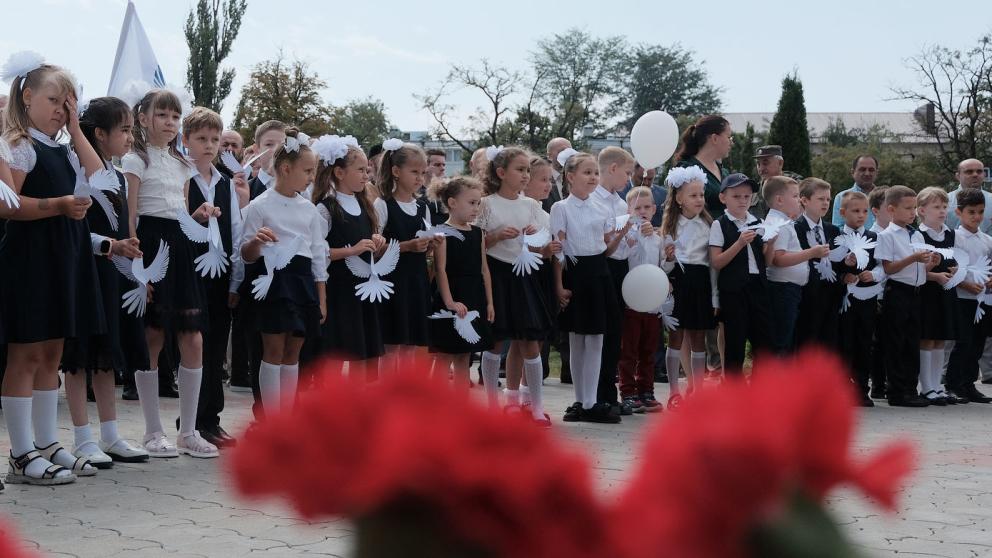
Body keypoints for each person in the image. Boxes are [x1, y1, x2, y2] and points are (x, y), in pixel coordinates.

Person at [1, 55, 106, 485]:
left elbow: (99, 176)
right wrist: (59, 206)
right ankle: (22, 451)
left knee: (52, 353)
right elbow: (7, 205)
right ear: (27, 98)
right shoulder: (17, 144)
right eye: (54, 101)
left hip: (64, 255)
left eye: (68, 104)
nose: (61, 111)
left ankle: (46, 441)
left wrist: (77, 128)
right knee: (25, 353)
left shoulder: (62, 146)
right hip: (31, 257)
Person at [123, 88, 217, 458]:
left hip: (178, 247)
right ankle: (152, 431)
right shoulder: (134, 159)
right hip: (148, 242)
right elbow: (130, 215)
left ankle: (188, 431)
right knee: (153, 336)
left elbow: (179, 213)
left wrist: (199, 217)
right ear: (143, 117)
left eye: (175, 117)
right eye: (162, 115)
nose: (170, 123)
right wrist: (136, 268)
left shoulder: (182, 164)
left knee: (193, 337)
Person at [61, 97, 150, 467]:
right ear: (99, 133)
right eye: (125, 130)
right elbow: (77, 228)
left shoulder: (114, 172)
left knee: (106, 353)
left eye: (132, 129)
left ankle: (110, 434)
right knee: (80, 354)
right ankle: (82, 437)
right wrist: (108, 245)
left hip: (112, 272)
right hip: (86, 269)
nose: (131, 137)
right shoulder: (77, 168)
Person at [240, 128, 326, 414]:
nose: (312, 177)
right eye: (308, 170)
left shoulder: (309, 210)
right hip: (273, 280)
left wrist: (320, 297)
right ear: (286, 169)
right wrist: (256, 241)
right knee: (273, 350)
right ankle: (271, 418)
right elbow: (246, 254)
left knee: (293, 352)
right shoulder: (259, 205)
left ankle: (287, 418)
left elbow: (317, 255)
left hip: (301, 282)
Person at [476, 146, 554, 425]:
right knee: (496, 341)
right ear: (500, 173)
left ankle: (534, 405)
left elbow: (541, 250)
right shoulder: (485, 204)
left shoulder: (531, 206)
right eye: (519, 170)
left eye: (527, 171)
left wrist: (542, 245)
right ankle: (494, 406)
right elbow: (475, 245)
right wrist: (495, 236)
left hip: (524, 277)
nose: (525, 175)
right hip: (496, 276)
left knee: (530, 341)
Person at [181, 107, 243, 448]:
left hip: (219, 273)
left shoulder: (224, 183)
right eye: (201, 138)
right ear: (186, 140)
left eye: (214, 139)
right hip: (191, 270)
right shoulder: (181, 178)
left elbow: (235, 227)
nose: (209, 145)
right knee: (194, 345)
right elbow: (176, 223)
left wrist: (236, 279)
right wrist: (196, 217)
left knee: (217, 344)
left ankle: (210, 419)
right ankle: (190, 420)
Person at [310, 135, 385, 381]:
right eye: (361, 170)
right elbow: (317, 253)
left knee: (363, 353)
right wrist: (351, 250)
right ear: (339, 172)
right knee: (335, 353)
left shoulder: (365, 205)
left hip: (363, 289)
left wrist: (377, 245)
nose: (366, 175)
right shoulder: (325, 208)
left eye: (368, 170)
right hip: (339, 291)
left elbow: (368, 247)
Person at [552, 152, 620, 423]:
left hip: (599, 273)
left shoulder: (602, 207)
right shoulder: (561, 208)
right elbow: (559, 250)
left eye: (595, 173)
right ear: (570, 177)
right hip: (576, 273)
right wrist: (558, 285)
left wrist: (621, 235)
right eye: (586, 172)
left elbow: (605, 246)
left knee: (596, 338)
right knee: (577, 338)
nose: (593, 177)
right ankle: (581, 400)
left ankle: (591, 400)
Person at [373, 141, 436, 375]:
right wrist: (408, 246)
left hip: (416, 280)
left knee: (411, 344)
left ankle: (406, 398)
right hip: (393, 281)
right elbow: (375, 247)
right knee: (391, 344)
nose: (420, 178)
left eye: (422, 172)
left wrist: (431, 245)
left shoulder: (423, 207)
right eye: (414, 172)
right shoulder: (383, 204)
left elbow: (426, 248)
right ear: (396, 171)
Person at [428, 176, 495, 390]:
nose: (476, 208)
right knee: (445, 354)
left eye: (478, 203)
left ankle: (459, 409)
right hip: (452, 296)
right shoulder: (442, 232)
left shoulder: (478, 233)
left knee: (465, 356)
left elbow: (484, 269)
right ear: (452, 203)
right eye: (471, 203)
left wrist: (490, 303)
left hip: (474, 296)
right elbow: (440, 270)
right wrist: (450, 302)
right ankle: (432, 407)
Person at [660, 166, 715, 409]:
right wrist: (669, 260)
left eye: (701, 195)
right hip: (679, 282)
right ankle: (674, 392)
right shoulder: (670, 228)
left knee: (699, 337)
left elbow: (713, 265)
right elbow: (663, 268)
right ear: (679, 198)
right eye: (693, 195)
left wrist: (715, 296)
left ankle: (698, 392)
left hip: (701, 282)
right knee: (676, 336)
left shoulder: (709, 226)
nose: (699, 199)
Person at [875, 185, 934, 407]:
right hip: (898, 292)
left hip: (916, 292)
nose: (913, 212)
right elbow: (889, 269)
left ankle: (911, 388)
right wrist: (913, 258)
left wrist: (929, 264)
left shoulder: (916, 233)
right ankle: (897, 391)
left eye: (915, 208)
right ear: (891, 209)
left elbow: (919, 267)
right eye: (908, 208)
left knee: (912, 342)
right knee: (896, 342)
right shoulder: (886, 235)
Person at [709, 173, 769, 375]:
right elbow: (716, 261)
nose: (743, 201)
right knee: (735, 342)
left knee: (763, 341)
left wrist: (772, 241)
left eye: (746, 196)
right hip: (734, 289)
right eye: (736, 196)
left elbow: (766, 261)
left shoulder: (757, 222)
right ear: (723, 198)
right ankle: (734, 392)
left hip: (758, 286)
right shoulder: (720, 224)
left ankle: (760, 390)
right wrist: (739, 243)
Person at [592, 147, 637, 416]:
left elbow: (624, 247)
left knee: (615, 333)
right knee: (601, 331)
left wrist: (633, 236)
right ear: (612, 168)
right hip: (601, 265)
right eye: (627, 172)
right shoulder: (593, 200)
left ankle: (610, 390)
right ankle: (596, 392)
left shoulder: (621, 204)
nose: (629, 179)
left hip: (619, 268)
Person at [762, 176, 824, 355]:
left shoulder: (784, 221)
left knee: (788, 340)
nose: (799, 201)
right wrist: (812, 253)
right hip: (782, 290)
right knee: (782, 341)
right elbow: (778, 259)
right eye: (796, 196)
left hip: (789, 290)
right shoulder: (778, 224)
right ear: (780, 200)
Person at [835, 191, 885, 407]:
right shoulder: (836, 235)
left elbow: (883, 266)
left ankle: (861, 389)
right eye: (855, 211)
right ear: (843, 212)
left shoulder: (874, 238)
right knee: (844, 343)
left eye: (865, 211)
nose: (861, 215)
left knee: (865, 342)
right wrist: (843, 274)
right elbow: (829, 265)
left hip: (867, 298)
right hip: (844, 300)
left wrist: (872, 274)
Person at [618, 186, 664, 412]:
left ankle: (647, 390)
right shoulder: (628, 236)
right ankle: (627, 391)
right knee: (629, 351)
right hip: (632, 302)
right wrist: (636, 239)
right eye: (638, 208)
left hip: (653, 305)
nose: (643, 211)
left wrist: (670, 258)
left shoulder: (658, 238)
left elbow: (661, 266)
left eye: (647, 207)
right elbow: (628, 259)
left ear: (654, 209)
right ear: (629, 210)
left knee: (649, 351)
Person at [945, 187, 992, 404]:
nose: (977, 217)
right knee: (962, 342)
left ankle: (969, 383)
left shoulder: (987, 240)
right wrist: (964, 283)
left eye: (980, 212)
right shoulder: (954, 237)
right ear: (959, 213)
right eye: (971, 212)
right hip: (962, 298)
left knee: (977, 342)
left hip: (981, 300)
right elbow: (951, 269)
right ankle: (953, 383)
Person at [914, 187, 959, 406]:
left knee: (941, 338)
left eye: (944, 207)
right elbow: (915, 270)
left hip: (945, 292)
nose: (942, 211)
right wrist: (934, 275)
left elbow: (956, 260)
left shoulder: (950, 233)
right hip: (927, 292)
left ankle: (937, 385)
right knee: (927, 337)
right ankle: (926, 387)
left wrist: (955, 270)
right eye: (936, 207)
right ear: (921, 210)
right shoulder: (918, 234)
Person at [523, 156, 562, 381]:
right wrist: (542, 251)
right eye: (542, 179)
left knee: (539, 338)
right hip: (526, 276)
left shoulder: (547, 214)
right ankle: (518, 391)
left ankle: (530, 389)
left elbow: (553, 254)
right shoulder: (522, 211)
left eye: (550, 179)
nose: (548, 185)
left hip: (544, 276)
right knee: (524, 341)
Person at [794, 178, 842, 349]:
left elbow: (838, 262)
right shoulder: (795, 228)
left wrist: (848, 263)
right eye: (821, 199)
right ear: (804, 200)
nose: (826, 203)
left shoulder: (833, 230)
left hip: (830, 294)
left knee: (828, 341)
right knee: (807, 340)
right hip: (807, 294)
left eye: (828, 199)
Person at [674, 115, 731, 219]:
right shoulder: (686, 169)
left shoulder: (724, 172)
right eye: (728, 137)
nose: (731, 142)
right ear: (714, 138)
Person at [867, 186, 891, 399]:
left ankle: (890, 381)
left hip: (896, 293)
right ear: (875, 210)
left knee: (891, 340)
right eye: (888, 206)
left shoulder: (904, 233)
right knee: (877, 342)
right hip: (877, 294)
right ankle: (878, 384)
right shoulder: (873, 235)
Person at [750, 145, 802, 221]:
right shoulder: (754, 191)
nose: (761, 169)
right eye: (758, 164)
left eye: (765, 163)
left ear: (780, 163)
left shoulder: (797, 185)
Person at [830, 155, 879, 229]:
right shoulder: (842, 197)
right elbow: (838, 228)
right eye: (862, 169)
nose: (867, 173)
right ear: (853, 172)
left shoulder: (885, 197)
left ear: (876, 173)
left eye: (871, 170)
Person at [946, 158, 992, 233]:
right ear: (958, 176)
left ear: (984, 175)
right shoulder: (944, 201)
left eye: (979, 171)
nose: (975, 174)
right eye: (969, 172)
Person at [247, 120, 286, 199]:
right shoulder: (246, 189)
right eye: (269, 144)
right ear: (257, 150)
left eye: (283, 144)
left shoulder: (300, 187)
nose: (276, 150)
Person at [543, 137, 572, 212]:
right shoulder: (541, 179)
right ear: (549, 156)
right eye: (562, 151)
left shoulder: (577, 179)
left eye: (569, 151)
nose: (567, 155)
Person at [421, 148, 447, 225]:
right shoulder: (415, 192)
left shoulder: (449, 190)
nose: (443, 168)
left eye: (444, 164)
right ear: (425, 167)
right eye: (437, 165)